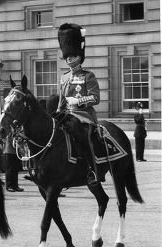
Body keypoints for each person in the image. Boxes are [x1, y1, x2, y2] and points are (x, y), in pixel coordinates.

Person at [56, 23, 100, 185]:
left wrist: (78, 101)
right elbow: (61, 100)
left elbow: (95, 98)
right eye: (67, 56)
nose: (69, 58)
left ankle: (92, 170)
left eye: (72, 55)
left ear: (79, 56)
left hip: (84, 116)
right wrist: (56, 113)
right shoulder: (64, 77)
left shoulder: (88, 76)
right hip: (66, 114)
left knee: (81, 134)